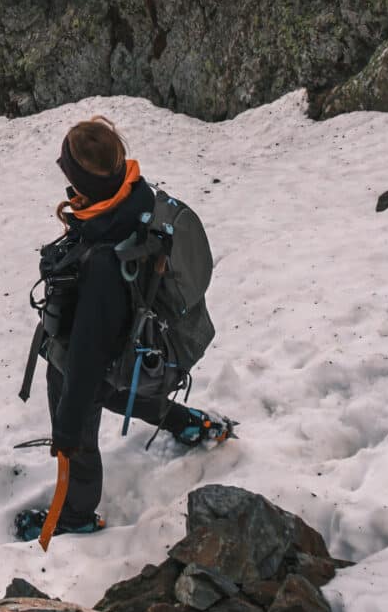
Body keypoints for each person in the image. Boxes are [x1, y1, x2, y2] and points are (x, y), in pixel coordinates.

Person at [14, 116, 231, 542]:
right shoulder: (139, 200)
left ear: (82, 185)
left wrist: (67, 428)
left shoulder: (104, 267)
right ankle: (190, 423)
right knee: (115, 391)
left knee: (84, 401)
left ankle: (74, 513)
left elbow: (86, 359)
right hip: (155, 354)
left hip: (118, 357)